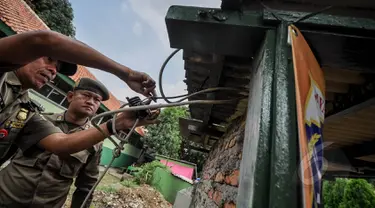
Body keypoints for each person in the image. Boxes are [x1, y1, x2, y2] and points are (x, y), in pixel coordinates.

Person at [0, 30, 159, 164]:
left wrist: (120, 122)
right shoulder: (3, 73)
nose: (54, 70)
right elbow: (43, 40)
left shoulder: (26, 110)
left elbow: (61, 144)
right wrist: (126, 73)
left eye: (57, 68)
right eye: (49, 59)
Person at [0, 77, 130, 207]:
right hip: (6, 197)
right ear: (70, 96)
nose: (91, 102)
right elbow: (6, 149)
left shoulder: (95, 142)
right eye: (86, 95)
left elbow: (86, 186)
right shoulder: (40, 120)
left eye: (97, 100)